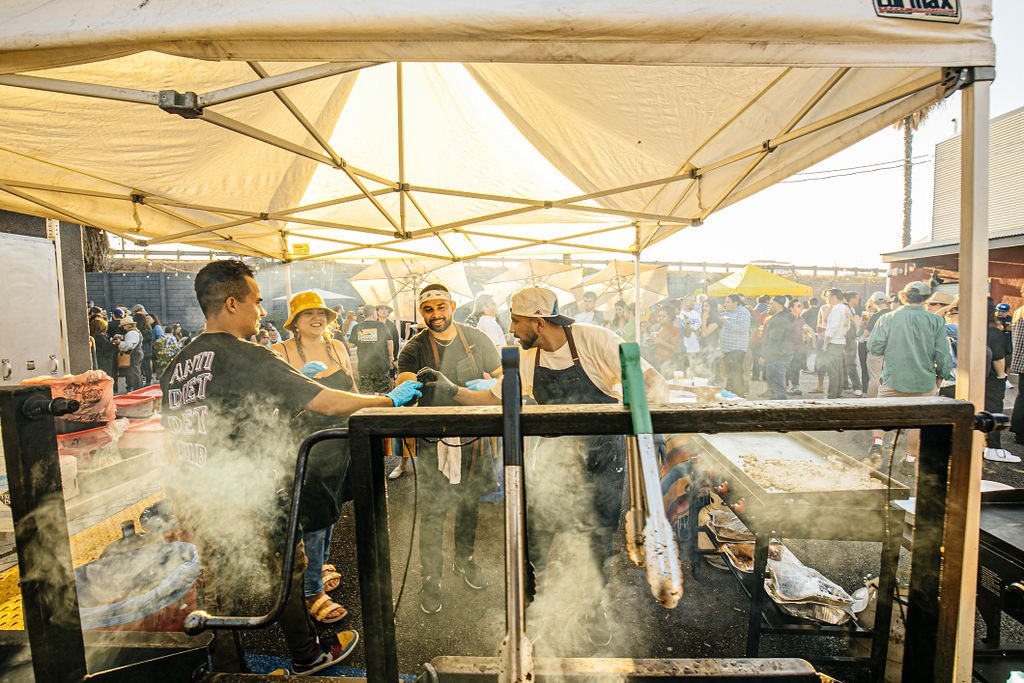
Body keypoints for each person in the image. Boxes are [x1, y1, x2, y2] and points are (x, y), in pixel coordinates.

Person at [160, 260, 421, 675]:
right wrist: (387, 401)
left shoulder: (178, 365)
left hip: (200, 495)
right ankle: (308, 655)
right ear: (232, 303)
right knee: (287, 573)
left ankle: (227, 665)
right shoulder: (245, 354)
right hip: (255, 492)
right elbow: (327, 401)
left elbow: (175, 438)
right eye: (256, 302)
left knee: (219, 584)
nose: (261, 312)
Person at [419, 285, 668, 646]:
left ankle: (592, 606)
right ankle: (535, 605)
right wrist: (449, 389)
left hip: (603, 459)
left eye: (516, 322)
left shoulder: (595, 340)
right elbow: (492, 397)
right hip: (553, 462)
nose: (512, 329)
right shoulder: (524, 359)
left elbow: (651, 383)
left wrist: (646, 426)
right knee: (536, 540)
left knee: (598, 540)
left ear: (538, 322)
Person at [391, 284, 501, 612]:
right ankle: (431, 577)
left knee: (469, 504)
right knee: (434, 511)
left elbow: (502, 376)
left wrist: (494, 384)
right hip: (432, 440)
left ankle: (464, 560)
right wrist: (407, 388)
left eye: (441, 307)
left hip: (473, 439)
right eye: (428, 310)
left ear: (452, 305)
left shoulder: (477, 339)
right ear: (420, 312)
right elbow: (404, 381)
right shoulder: (413, 347)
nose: (436, 315)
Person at [272, 291, 360, 625]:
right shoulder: (278, 352)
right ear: (294, 321)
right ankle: (312, 592)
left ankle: (320, 563)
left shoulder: (337, 347)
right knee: (312, 514)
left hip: (338, 441)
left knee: (331, 508)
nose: (316, 319)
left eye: (321, 313)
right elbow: (272, 403)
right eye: (308, 314)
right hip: (303, 443)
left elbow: (349, 389)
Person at [866, 281, 954, 471]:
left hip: (893, 377)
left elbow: (874, 347)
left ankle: (877, 445)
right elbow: (943, 353)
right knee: (917, 423)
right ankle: (909, 460)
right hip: (924, 380)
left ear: (904, 296)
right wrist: (942, 374)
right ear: (926, 298)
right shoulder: (936, 320)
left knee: (883, 412)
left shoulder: (888, 318)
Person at [347, 304, 395, 394]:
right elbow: (390, 342)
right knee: (383, 393)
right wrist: (391, 357)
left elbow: (350, 345)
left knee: (367, 394)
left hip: (364, 366)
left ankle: (369, 407)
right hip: (381, 365)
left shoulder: (357, 327)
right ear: (373, 313)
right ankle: (381, 407)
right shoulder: (381, 325)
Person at [760, 296, 796, 400]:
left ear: (779, 306)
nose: (768, 306)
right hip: (780, 356)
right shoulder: (782, 318)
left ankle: (782, 409)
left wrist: (763, 355)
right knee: (776, 388)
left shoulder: (779, 320)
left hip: (776, 357)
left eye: (771, 304)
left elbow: (773, 340)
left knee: (778, 388)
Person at [821, 288, 850, 399]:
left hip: (834, 342)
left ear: (833, 297)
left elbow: (832, 327)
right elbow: (847, 326)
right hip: (841, 341)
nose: (827, 299)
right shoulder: (845, 308)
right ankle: (838, 392)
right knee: (838, 369)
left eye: (828, 296)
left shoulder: (837, 309)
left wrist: (825, 342)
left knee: (832, 370)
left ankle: (832, 394)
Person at [719, 294, 751, 396]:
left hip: (737, 348)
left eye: (728, 302)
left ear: (735, 303)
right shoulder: (727, 312)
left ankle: (739, 394)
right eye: (725, 301)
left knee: (736, 372)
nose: (725, 304)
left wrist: (726, 321)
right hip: (727, 348)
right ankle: (730, 392)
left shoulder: (743, 312)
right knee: (729, 372)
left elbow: (741, 329)